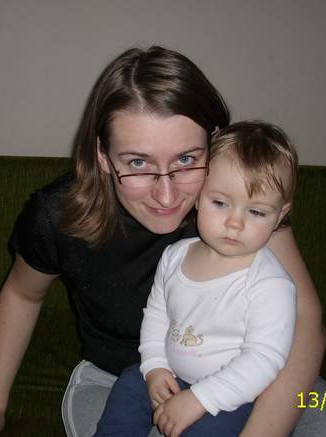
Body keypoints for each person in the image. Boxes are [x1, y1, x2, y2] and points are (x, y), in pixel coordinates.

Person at [0, 46, 326, 437]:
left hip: (250, 374)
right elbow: (23, 294)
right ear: (104, 156)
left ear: (214, 142)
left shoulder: (240, 202)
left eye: (186, 159)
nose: (166, 196)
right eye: (138, 163)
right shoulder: (56, 213)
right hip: (119, 380)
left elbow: (305, 321)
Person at [94, 121, 298, 437]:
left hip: (232, 396)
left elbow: (263, 359)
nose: (235, 223)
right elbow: (158, 316)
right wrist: (155, 366)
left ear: (280, 215)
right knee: (128, 387)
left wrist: (200, 399)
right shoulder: (175, 256)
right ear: (199, 196)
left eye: (256, 212)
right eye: (220, 203)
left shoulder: (271, 284)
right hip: (173, 375)